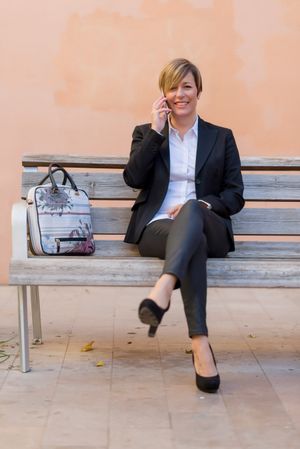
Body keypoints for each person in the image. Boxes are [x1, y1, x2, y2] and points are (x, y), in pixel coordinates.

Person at [123, 58, 244, 393]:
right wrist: (156, 131)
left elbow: (235, 195)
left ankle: (164, 287)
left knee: (192, 210)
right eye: (173, 87)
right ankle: (200, 344)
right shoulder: (146, 134)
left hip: (209, 224)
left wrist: (202, 205)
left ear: (198, 91)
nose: (180, 94)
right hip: (158, 229)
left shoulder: (221, 137)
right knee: (194, 247)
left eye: (187, 86)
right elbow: (133, 178)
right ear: (163, 94)